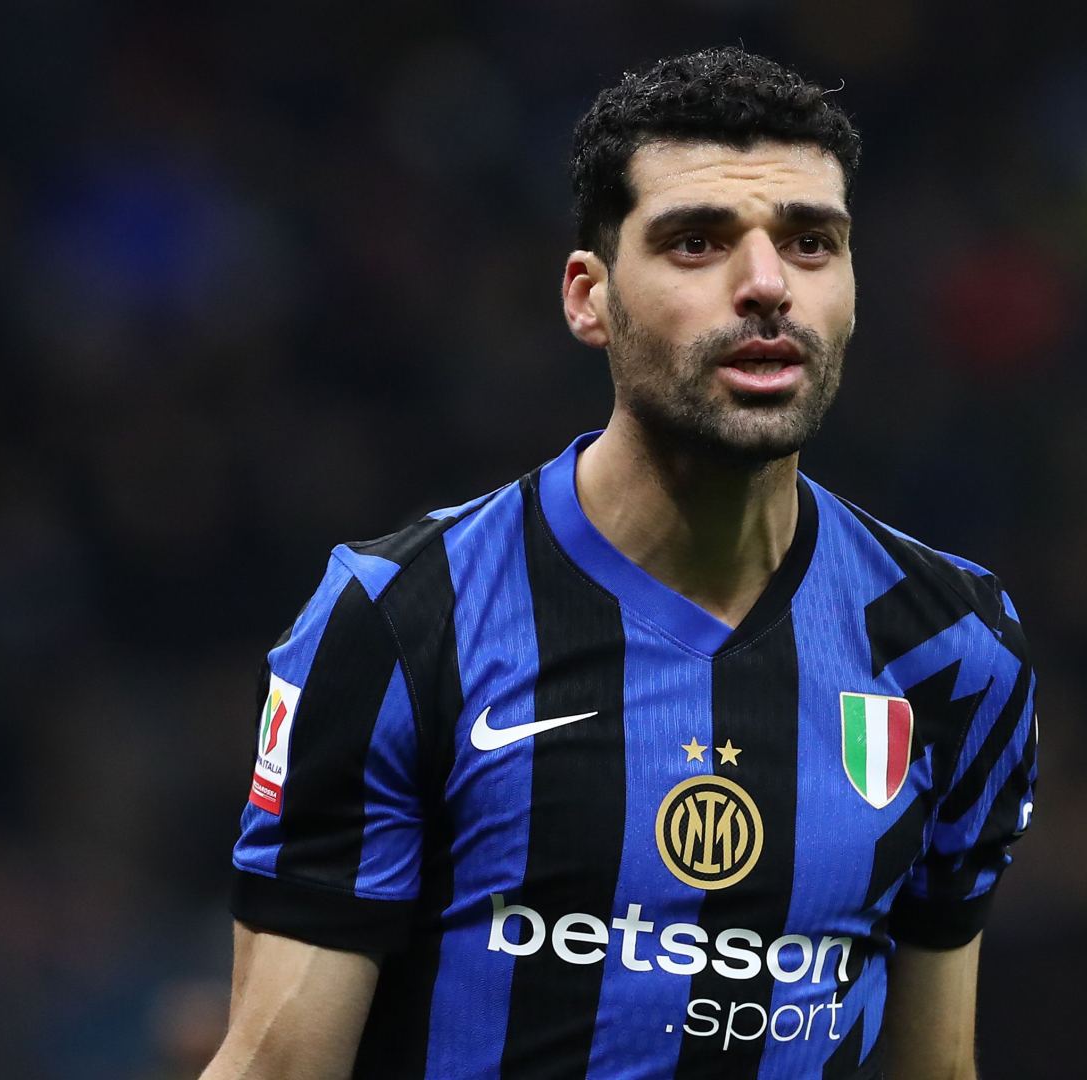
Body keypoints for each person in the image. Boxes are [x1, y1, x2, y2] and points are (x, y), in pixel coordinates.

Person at [202, 46, 1037, 1080]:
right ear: (588, 298)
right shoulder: (403, 620)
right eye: (697, 243)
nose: (767, 286)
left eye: (811, 243)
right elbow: (280, 1067)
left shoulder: (956, 649)